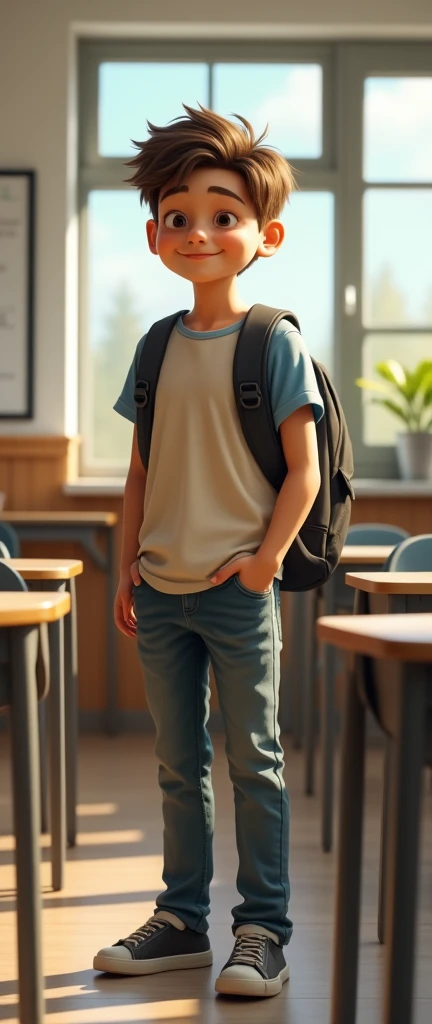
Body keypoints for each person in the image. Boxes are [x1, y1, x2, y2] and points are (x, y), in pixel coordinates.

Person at [93, 104, 323, 998]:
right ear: (155, 235)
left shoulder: (276, 343)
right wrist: (127, 567)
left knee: (253, 761)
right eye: (180, 217)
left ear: (263, 234)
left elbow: (302, 474)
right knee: (174, 763)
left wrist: (264, 564)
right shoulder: (155, 346)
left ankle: (262, 930)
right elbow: (141, 471)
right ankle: (183, 919)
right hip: (159, 590)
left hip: (236, 587)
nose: (200, 233)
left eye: (223, 215)